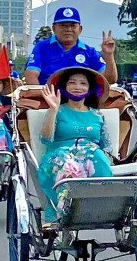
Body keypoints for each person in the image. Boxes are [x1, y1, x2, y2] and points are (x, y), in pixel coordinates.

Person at [33, 65, 120, 220]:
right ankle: (64, 211)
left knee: (99, 157)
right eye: (72, 83)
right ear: (64, 87)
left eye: (83, 83)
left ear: (89, 88)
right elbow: (46, 139)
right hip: (60, 155)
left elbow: (106, 146)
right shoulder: (58, 111)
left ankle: (99, 206)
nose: (77, 87)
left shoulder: (97, 115)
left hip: (92, 155)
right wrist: (53, 109)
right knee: (66, 163)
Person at [24, 6, 119, 87]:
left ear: (80, 29)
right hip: (49, 103)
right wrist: (43, 99)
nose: (68, 29)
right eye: (63, 25)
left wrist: (109, 56)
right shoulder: (42, 47)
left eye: (73, 25)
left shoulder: (90, 52)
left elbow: (110, 80)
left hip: (81, 104)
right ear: (54, 28)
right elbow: (31, 75)